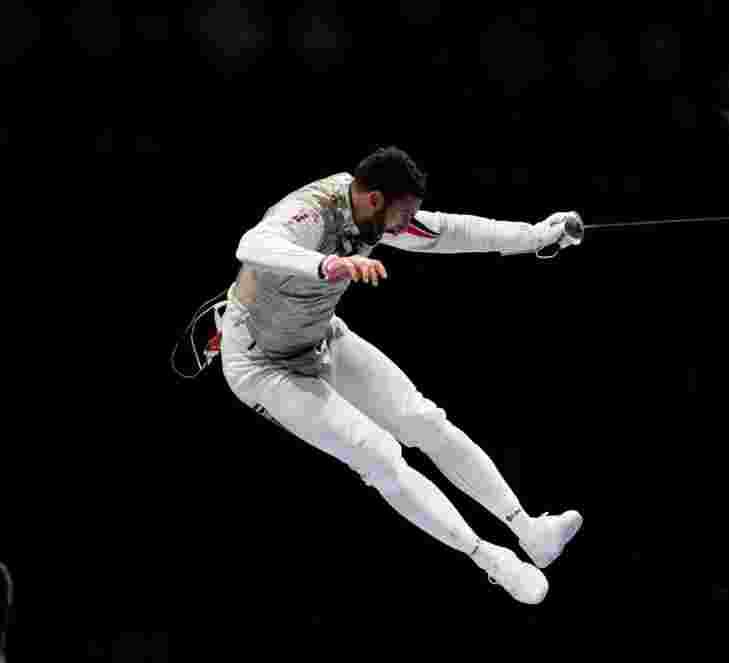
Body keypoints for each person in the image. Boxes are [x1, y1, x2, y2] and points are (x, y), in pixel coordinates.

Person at [218, 146, 584, 604]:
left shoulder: (376, 215)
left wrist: (535, 235)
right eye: (403, 213)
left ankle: (531, 532)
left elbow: (452, 230)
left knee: (424, 420)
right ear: (373, 198)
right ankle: (491, 558)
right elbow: (251, 245)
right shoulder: (308, 212)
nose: (407, 223)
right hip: (261, 365)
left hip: (321, 339)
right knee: (380, 455)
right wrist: (328, 264)